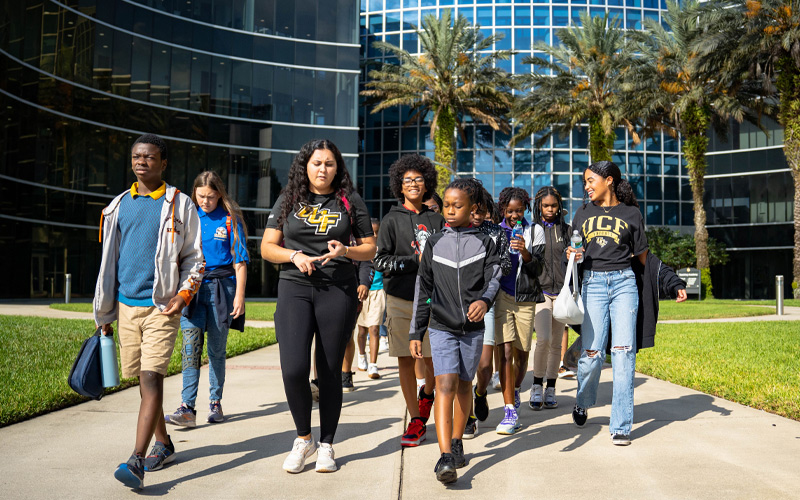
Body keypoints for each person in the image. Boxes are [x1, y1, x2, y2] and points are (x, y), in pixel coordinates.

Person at [94, 134, 204, 489]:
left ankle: (136, 460)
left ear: (164, 163)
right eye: (137, 156)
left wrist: (184, 296)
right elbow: (108, 264)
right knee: (142, 382)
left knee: (152, 378)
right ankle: (165, 443)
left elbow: (195, 258)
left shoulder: (180, 204)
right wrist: (105, 315)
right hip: (126, 307)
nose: (142, 162)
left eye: (150, 157)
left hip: (162, 306)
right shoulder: (118, 205)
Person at [261, 139, 377, 473]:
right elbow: (268, 247)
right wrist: (294, 255)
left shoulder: (349, 200)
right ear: (305, 166)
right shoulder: (290, 198)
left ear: (338, 167)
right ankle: (303, 438)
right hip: (294, 287)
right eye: (316, 163)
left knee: (328, 372)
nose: (322, 169)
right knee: (294, 369)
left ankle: (326, 444)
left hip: (336, 289)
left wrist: (346, 251)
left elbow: (370, 248)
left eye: (329, 163)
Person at [410, 179, 501, 484]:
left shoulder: (486, 244)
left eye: (456, 205)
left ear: (473, 209)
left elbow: (494, 278)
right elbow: (423, 288)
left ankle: (458, 439)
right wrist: (415, 331)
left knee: (464, 385)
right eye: (446, 204)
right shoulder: (435, 243)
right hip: (441, 326)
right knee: (444, 383)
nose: (449, 210)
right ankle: (445, 455)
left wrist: (484, 302)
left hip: (473, 330)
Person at [566, 160, 648, 446]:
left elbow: (643, 259)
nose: (586, 187)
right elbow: (574, 248)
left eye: (591, 181)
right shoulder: (582, 213)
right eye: (585, 182)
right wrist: (573, 255)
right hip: (593, 283)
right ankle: (583, 400)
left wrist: (665, 281)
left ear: (609, 180)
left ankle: (621, 424)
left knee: (624, 352)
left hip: (624, 283)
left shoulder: (632, 214)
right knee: (592, 355)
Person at [165, 171, 249, 427]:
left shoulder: (229, 220)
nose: (205, 201)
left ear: (220, 195)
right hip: (191, 290)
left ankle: (215, 403)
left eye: (210, 197)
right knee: (190, 349)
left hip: (221, 290)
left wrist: (241, 297)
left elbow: (240, 261)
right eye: (200, 196)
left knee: (216, 351)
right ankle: (187, 408)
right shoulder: (187, 217)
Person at [374, 154, 444, 447]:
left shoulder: (438, 219)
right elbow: (381, 260)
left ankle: (428, 393)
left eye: (418, 179)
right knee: (406, 359)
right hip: (401, 299)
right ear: (399, 186)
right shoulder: (391, 219)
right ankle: (416, 419)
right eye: (407, 180)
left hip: (434, 301)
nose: (414, 184)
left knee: (434, 362)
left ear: (427, 183)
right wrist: (414, 261)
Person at [494, 187, 544, 435]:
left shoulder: (535, 231)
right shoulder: (495, 231)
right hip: (501, 297)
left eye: (519, 210)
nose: (514, 215)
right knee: (504, 352)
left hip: (525, 299)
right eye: (510, 210)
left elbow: (538, 271)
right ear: (503, 209)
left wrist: (525, 251)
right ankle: (509, 410)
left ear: (525, 208)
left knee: (521, 353)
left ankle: (514, 389)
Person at [468, 181, 511, 438]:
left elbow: (504, 265)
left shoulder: (496, 233)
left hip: (487, 303)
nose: (474, 215)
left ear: (487, 210)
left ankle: (480, 393)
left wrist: (486, 270)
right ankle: (467, 418)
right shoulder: (450, 231)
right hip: (456, 305)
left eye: (479, 210)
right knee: (462, 369)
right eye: (470, 210)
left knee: (484, 366)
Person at [529, 186, 570, 410]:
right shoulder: (533, 229)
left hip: (562, 293)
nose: (550, 209)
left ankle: (551, 387)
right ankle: (536, 385)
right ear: (539, 207)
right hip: (541, 292)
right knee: (543, 339)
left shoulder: (567, 230)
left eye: (554, 205)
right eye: (546, 206)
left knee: (556, 343)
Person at [341, 239, 377, 391]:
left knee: (347, 335)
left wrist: (364, 283)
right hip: (324, 289)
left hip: (351, 291)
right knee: (323, 337)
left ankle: (345, 374)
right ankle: (319, 378)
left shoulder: (355, 235)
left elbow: (366, 261)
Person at [353, 219, 385, 380]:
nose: (373, 234)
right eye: (370, 231)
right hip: (362, 291)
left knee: (374, 328)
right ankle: (361, 355)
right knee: (361, 330)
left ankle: (373, 364)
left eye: (376, 232)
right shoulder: (361, 248)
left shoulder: (382, 249)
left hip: (378, 291)